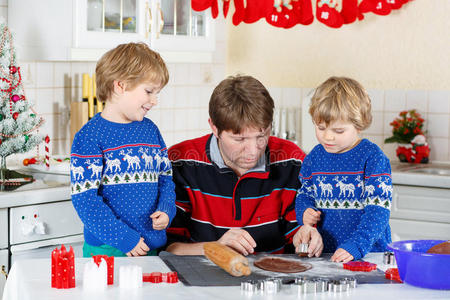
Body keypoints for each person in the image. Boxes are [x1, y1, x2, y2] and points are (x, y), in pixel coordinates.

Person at [166, 75, 323, 257]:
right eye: (239, 139)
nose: (253, 151)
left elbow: (297, 235)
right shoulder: (181, 162)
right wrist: (216, 247)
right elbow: (169, 247)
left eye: (261, 136)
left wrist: (305, 238)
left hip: (273, 280)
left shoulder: (293, 161)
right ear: (214, 128)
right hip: (199, 279)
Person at [70, 42, 176, 257]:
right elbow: (85, 199)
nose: (154, 101)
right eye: (149, 91)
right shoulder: (89, 137)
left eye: (157, 93)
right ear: (120, 86)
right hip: (108, 248)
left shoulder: (151, 131)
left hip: (152, 246)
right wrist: (124, 239)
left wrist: (166, 209)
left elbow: (165, 179)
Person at [295, 76, 392, 263]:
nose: (328, 137)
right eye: (321, 128)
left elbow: (378, 212)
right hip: (326, 255)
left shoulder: (373, 159)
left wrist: (356, 245)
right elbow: (304, 194)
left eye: (338, 131)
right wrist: (304, 211)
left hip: (369, 255)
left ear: (359, 124)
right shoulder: (314, 157)